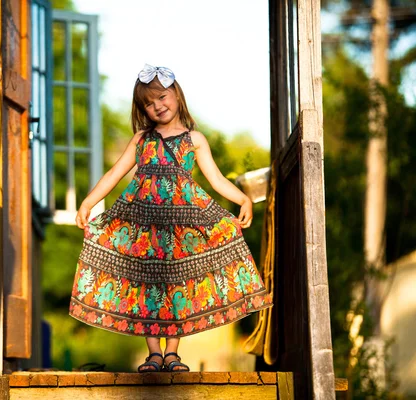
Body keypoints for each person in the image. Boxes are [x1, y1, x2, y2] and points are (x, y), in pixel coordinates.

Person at [69, 64, 273, 372]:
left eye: (162, 97)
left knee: (176, 285)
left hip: (181, 227)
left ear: (176, 94)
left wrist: (242, 198)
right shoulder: (141, 140)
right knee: (146, 285)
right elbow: (115, 173)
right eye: (148, 104)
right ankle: (153, 354)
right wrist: (88, 201)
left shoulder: (195, 140)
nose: (157, 106)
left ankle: (173, 353)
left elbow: (215, 180)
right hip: (143, 225)